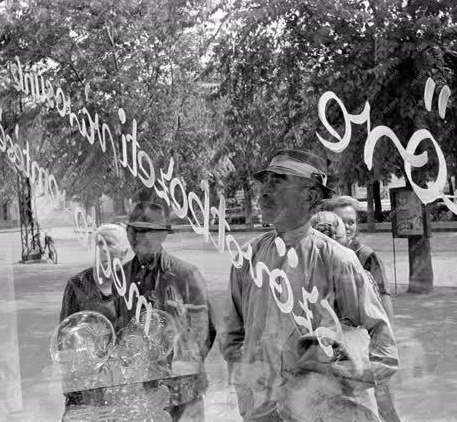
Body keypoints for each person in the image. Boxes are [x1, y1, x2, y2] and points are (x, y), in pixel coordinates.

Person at [220, 149, 399, 421]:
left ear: (311, 196)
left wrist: (337, 374)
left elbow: (384, 350)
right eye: (264, 181)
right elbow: (232, 337)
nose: (264, 191)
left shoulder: (338, 259)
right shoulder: (248, 258)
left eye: (278, 181)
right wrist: (249, 380)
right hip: (262, 411)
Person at [117, 202, 216, 421]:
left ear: (162, 235)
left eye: (145, 230)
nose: (137, 237)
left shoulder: (185, 274)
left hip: (182, 394)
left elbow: (204, 333)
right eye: (132, 230)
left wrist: (179, 367)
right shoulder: (120, 277)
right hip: (137, 393)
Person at [322, 196, 400, 422]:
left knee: (380, 403)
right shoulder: (318, 253)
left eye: (351, 221)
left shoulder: (364, 255)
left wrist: (384, 347)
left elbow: (383, 301)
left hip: (362, 344)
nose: (347, 227)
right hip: (331, 344)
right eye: (340, 221)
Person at [59, 223, 131, 409]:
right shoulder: (78, 285)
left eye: (109, 243)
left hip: (126, 385)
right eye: (99, 244)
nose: (103, 250)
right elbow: (64, 339)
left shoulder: (133, 287)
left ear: (124, 251)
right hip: (89, 385)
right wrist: (72, 387)